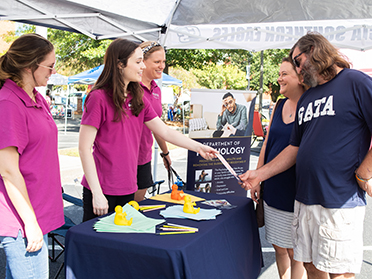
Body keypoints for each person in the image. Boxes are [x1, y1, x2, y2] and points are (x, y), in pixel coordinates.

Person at [240, 32, 372, 279]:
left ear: (313, 51)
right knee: (311, 267)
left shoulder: (355, 82)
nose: (297, 67)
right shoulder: (308, 97)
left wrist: (365, 172)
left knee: (339, 272)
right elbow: (294, 149)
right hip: (304, 199)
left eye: (297, 60)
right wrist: (259, 174)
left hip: (338, 200)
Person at [79, 38, 217, 221]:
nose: (142, 67)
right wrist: (97, 192)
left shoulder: (138, 98)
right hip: (101, 189)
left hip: (128, 186)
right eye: (138, 62)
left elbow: (165, 131)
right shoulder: (98, 98)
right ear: (120, 64)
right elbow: (83, 148)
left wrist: (198, 147)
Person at [0, 33, 64, 278]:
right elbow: (7, 170)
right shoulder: (8, 103)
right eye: (49, 65)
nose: (53, 71)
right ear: (29, 66)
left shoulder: (38, 98)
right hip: (22, 219)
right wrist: (30, 222)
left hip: (37, 211)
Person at [250, 57, 307, 279]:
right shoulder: (279, 105)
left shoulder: (308, 107)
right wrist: (257, 177)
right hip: (272, 185)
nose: (279, 78)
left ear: (300, 77)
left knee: (295, 250)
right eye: (279, 73)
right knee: (278, 246)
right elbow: (266, 143)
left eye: (284, 74)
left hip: (294, 188)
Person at [134, 41, 170, 202]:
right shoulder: (131, 87)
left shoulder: (156, 89)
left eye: (163, 61)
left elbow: (157, 126)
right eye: (157, 62)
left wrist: (165, 153)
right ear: (142, 62)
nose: (161, 66)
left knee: (136, 206)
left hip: (143, 156)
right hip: (125, 157)